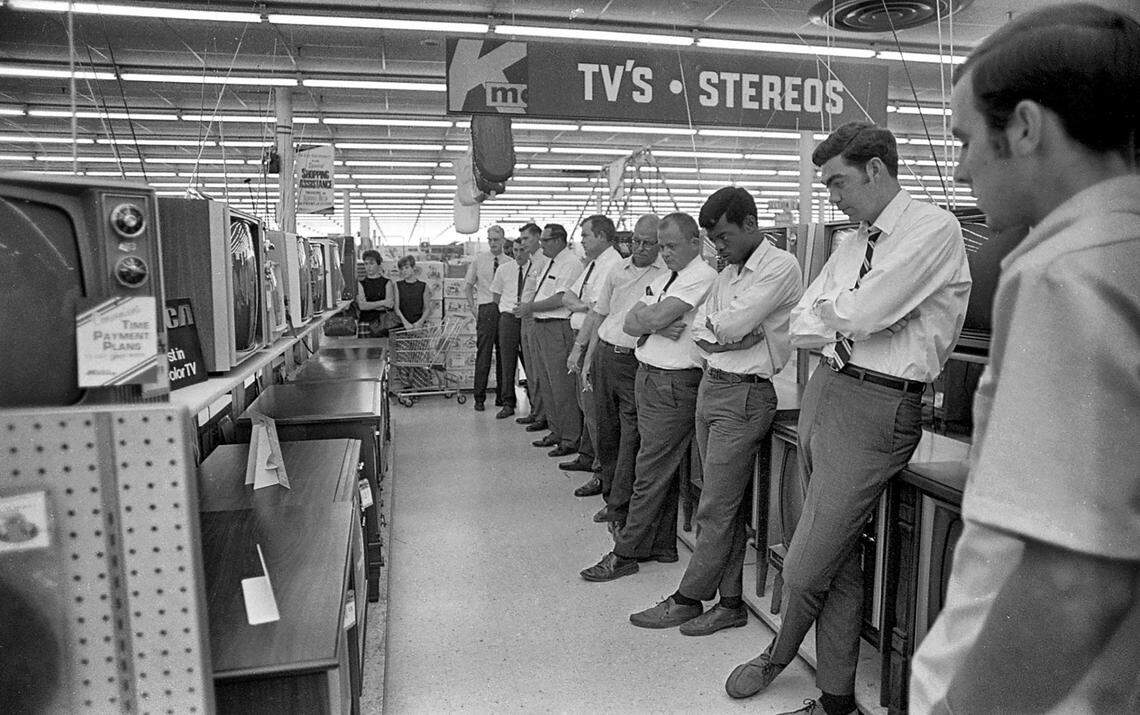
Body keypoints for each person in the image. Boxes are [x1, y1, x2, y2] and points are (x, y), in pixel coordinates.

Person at [909, 6, 1140, 713]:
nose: (958, 165)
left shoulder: (1064, 270)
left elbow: (1074, 576)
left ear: (1027, 129)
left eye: (966, 137)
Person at [723, 121, 971, 715]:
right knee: (839, 560)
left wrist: (854, 315)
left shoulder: (934, 230)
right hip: (827, 390)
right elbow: (808, 322)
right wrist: (854, 316)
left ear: (877, 170)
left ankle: (776, 656)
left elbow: (867, 310)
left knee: (806, 564)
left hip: (880, 405)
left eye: (837, 182)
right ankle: (836, 700)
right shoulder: (853, 243)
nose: (831, 195)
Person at [628, 188, 802, 634]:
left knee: (715, 507)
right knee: (727, 503)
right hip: (712, 387)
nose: (718, 248)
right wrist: (723, 332)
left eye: (723, 237)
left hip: (743, 396)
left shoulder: (780, 266)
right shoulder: (729, 272)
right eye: (713, 241)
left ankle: (688, 598)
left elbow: (729, 323)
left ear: (749, 224)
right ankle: (729, 602)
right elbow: (704, 325)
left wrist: (724, 330)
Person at [580, 212, 717, 581]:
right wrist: (652, 322)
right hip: (649, 375)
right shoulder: (666, 276)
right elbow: (631, 321)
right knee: (659, 468)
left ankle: (625, 552)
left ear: (695, 242)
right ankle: (660, 545)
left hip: (673, 383)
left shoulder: (701, 277)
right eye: (663, 246)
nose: (665, 252)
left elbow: (654, 318)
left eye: (671, 246)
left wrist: (652, 320)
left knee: (649, 470)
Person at [568, 214, 665, 512]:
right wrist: (584, 356)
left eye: (648, 243)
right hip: (606, 356)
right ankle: (608, 488)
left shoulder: (664, 276)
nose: (640, 247)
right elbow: (599, 315)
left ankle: (620, 503)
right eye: (635, 240)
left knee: (631, 435)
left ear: (661, 245)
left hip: (635, 362)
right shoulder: (617, 271)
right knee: (605, 430)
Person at [561, 215, 624, 477]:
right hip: (582, 335)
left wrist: (580, 349)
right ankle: (590, 456)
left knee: (595, 409)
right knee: (585, 404)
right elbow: (568, 296)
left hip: (592, 342)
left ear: (601, 236)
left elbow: (597, 314)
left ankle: (602, 471)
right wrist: (580, 305)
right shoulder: (594, 264)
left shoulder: (612, 265)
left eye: (586, 235)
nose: (582, 241)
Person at [515, 223, 584, 458]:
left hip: (557, 327)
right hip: (541, 326)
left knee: (561, 386)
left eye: (544, 240)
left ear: (558, 240)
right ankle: (556, 430)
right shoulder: (549, 262)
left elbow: (561, 298)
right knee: (547, 383)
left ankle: (571, 437)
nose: (540, 244)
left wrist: (529, 307)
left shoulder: (570, 263)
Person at [465, 225, 506, 412]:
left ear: (503, 241)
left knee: (504, 355)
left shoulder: (510, 262)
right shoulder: (479, 260)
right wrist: (474, 308)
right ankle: (479, 397)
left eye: (496, 239)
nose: (493, 243)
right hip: (486, 307)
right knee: (484, 354)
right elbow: (468, 286)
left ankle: (502, 396)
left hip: (504, 310)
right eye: (490, 239)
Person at [489, 238, 531, 419]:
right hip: (508, 318)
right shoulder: (504, 269)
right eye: (515, 250)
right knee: (507, 362)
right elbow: (496, 296)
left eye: (522, 250)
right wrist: (509, 310)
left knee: (531, 362)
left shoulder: (536, 269)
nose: (519, 254)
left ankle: (536, 404)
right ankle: (508, 403)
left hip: (529, 317)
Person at [515, 223, 550, 431]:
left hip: (535, 318)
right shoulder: (532, 262)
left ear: (538, 238)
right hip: (525, 318)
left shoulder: (545, 261)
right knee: (530, 368)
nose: (523, 242)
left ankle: (543, 414)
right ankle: (536, 410)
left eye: (527, 238)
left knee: (537, 369)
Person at [356, 249, 397, 336]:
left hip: (384, 323)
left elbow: (390, 304)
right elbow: (362, 306)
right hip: (365, 323)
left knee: (384, 349)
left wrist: (370, 305)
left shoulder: (387, 282)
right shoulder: (361, 283)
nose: (368, 267)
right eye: (366, 264)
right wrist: (382, 302)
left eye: (371, 263)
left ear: (378, 264)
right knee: (365, 349)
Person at [395, 254, 427, 330]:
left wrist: (420, 322)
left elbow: (427, 308)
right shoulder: (397, 285)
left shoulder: (423, 286)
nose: (404, 271)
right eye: (401, 269)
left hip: (419, 326)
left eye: (406, 267)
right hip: (402, 325)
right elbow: (396, 308)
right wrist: (405, 323)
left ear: (413, 268)